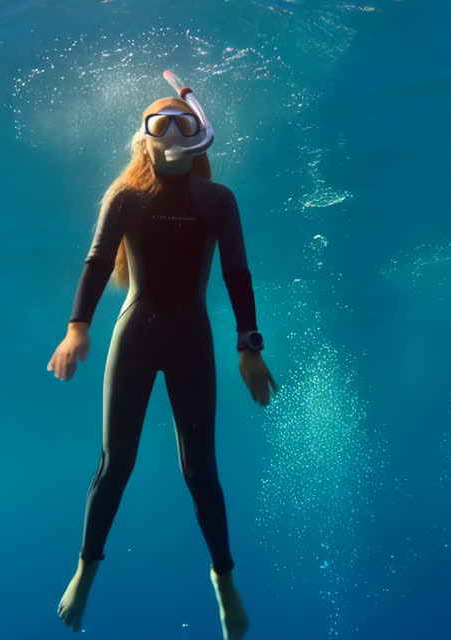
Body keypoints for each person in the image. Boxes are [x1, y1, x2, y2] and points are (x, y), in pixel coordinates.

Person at [47, 72, 279, 639]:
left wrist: (249, 346)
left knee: (201, 469)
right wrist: (77, 328)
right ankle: (85, 569)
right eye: (160, 124)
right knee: (115, 463)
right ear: (143, 140)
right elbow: (98, 262)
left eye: (184, 123)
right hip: (137, 333)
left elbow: (237, 273)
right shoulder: (125, 196)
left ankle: (224, 581)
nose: (172, 132)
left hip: (191, 338)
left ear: (200, 135)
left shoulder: (218, 200)